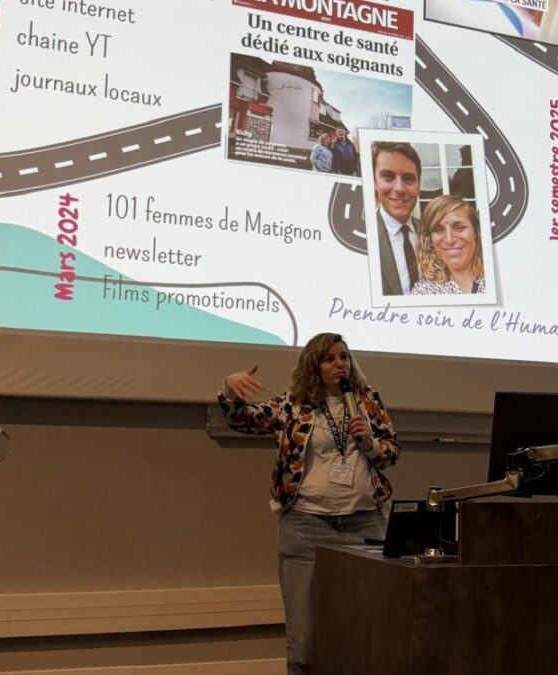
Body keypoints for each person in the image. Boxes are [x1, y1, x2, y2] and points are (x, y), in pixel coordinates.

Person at [218, 333, 401, 675]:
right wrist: (230, 389)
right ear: (313, 366)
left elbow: (392, 451)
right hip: (307, 529)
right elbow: (245, 419)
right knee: (304, 644)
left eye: (344, 357)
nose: (340, 364)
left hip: (366, 527)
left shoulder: (366, 400)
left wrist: (370, 444)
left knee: (364, 634)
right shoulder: (294, 404)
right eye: (329, 359)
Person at [411, 195, 487, 295]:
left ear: (476, 233)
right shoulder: (422, 293)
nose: (449, 240)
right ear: (430, 240)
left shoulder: (499, 280)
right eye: (438, 230)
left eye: (459, 227)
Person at [372, 141, 422, 295]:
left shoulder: (432, 234)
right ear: (374, 183)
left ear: (418, 185)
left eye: (408, 178)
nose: (399, 188)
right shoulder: (361, 236)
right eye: (388, 177)